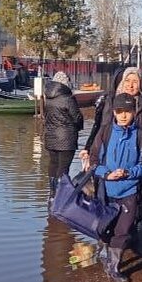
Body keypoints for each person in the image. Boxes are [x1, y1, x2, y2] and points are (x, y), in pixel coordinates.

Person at [89, 93, 142, 282]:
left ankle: (114, 267)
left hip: (130, 192)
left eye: (128, 111)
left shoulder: (141, 135)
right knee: (104, 228)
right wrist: (106, 174)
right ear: (114, 112)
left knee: (123, 230)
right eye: (120, 111)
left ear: (134, 112)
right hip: (106, 191)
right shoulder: (105, 132)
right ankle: (103, 252)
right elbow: (94, 161)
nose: (124, 115)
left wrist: (130, 173)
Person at [81, 67, 142, 165]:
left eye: (135, 81)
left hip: (134, 152)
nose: (130, 85)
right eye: (127, 80)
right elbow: (98, 125)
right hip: (110, 148)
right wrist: (88, 149)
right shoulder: (109, 100)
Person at [44, 72, 84, 203]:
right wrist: (78, 127)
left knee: (53, 164)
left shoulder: (48, 98)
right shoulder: (68, 99)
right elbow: (77, 117)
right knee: (64, 167)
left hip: (50, 136)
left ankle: (52, 194)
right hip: (67, 138)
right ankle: (61, 196)